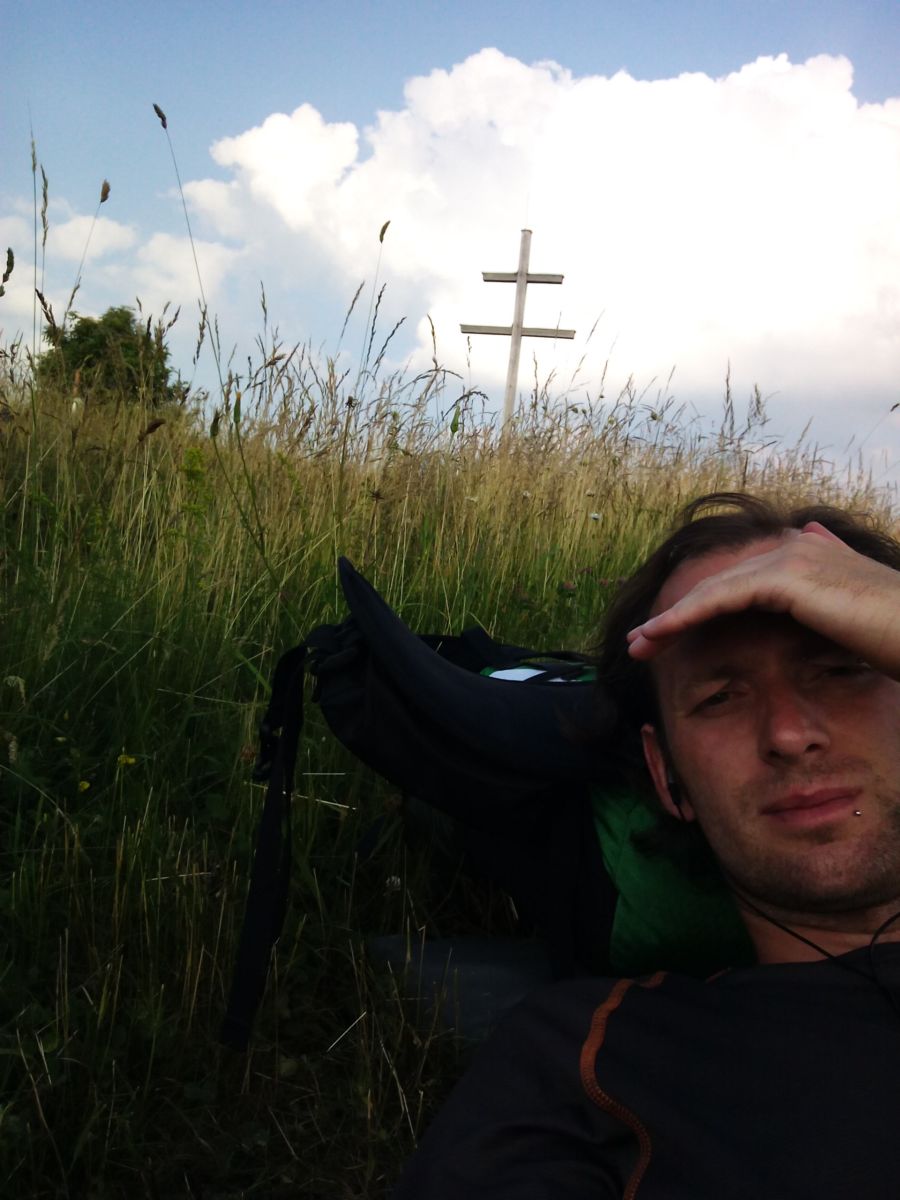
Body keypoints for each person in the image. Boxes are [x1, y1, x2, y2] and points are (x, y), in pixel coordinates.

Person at [392, 491, 900, 1199]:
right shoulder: (594, 1059)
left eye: (841, 669)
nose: (789, 734)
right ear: (668, 778)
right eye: (719, 697)